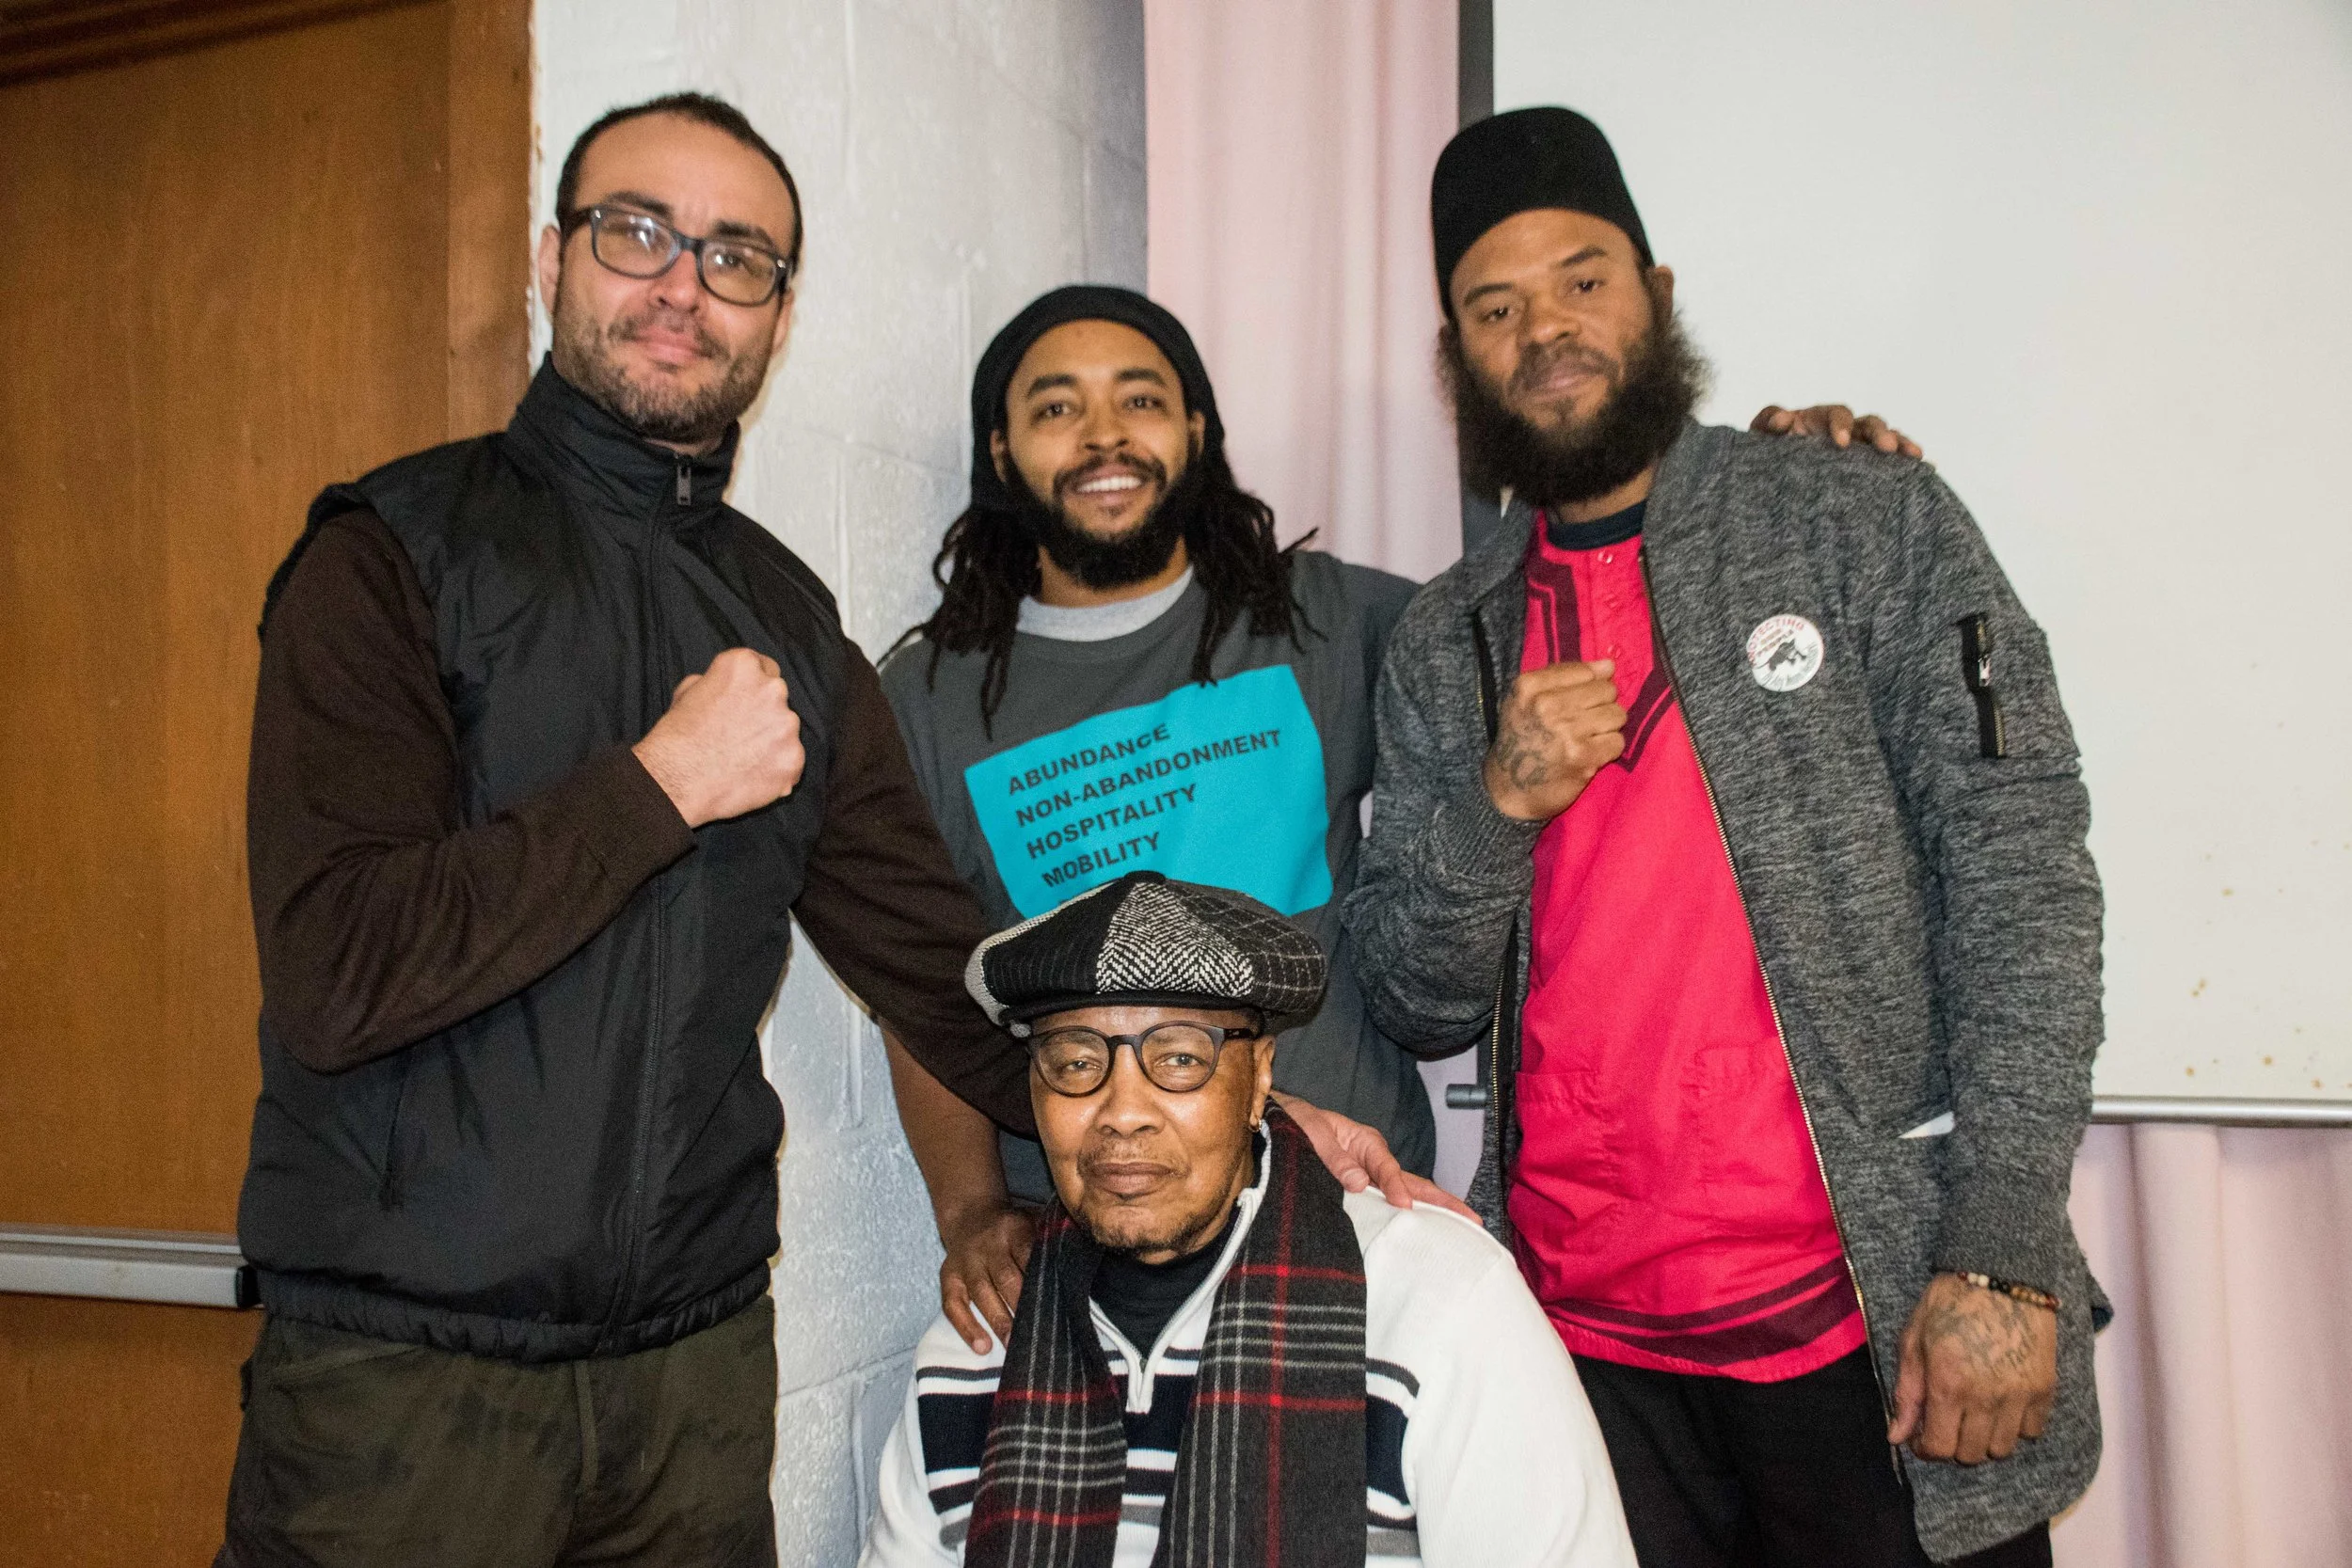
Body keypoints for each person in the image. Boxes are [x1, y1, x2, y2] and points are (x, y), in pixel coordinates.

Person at [219, 94, 1422, 1568]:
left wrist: (1226, 1100)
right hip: (403, 1383)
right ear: (551, 260)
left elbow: (948, 972)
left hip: (694, 1378)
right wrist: (657, 786)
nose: (683, 284)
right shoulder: (392, 552)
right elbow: (339, 971)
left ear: (778, 320)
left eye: (739, 258)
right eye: (638, 232)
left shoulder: (789, 619)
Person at [875, 283, 1919, 1356]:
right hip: (1091, 1239)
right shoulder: (925, 699)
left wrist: (1766, 486)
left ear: (1194, 430)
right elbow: (914, 988)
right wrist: (966, 1210)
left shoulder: (1331, 620)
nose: (1104, 434)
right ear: (1001, 451)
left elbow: (1578, 597)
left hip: (1356, 1222)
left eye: (1140, 399)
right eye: (1056, 408)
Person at [1344, 107, 2105, 1567]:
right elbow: (1410, 987)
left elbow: (2023, 878)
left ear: (1661, 292)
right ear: (1456, 358)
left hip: (1878, 1320)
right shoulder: (1446, 636)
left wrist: (2001, 1243)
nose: (1545, 330)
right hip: (1584, 1352)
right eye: (1493, 308)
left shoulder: (1855, 517)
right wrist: (1496, 808)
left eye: (1582, 279)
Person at [863, 871, 1639, 1568]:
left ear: (1261, 1071)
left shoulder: (1438, 1309)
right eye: (1075, 1062)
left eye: (1178, 1058)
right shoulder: (975, 1349)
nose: (1123, 1111)